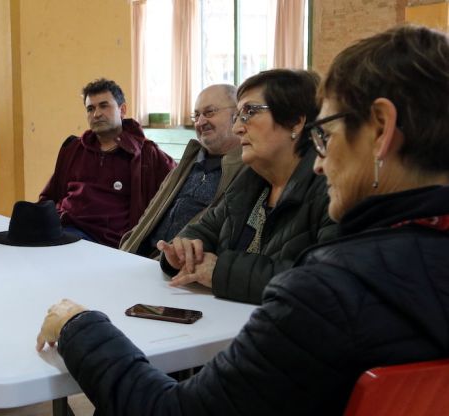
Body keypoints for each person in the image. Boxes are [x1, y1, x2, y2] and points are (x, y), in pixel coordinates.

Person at [36, 25, 449, 415]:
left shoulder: (326, 294)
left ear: (380, 129)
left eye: (327, 133)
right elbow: (201, 228)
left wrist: (78, 325)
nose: (320, 164)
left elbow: (169, 409)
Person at [158, 69, 337, 304]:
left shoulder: (331, 186)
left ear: (296, 122)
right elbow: (205, 229)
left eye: (250, 112)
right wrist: (183, 250)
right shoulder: (251, 179)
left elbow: (323, 281)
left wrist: (220, 271)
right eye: (238, 116)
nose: (237, 128)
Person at [39, 78, 176, 248]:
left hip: (107, 244)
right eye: (91, 108)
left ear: (122, 109)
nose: (96, 114)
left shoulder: (146, 154)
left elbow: (178, 188)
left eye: (104, 106)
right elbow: (49, 196)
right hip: (63, 229)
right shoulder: (73, 149)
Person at [119, 84, 243, 258]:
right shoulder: (189, 162)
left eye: (209, 112)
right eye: (196, 115)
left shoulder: (247, 170)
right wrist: (126, 248)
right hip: (139, 258)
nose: (200, 122)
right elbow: (149, 214)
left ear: (237, 115)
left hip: (178, 269)